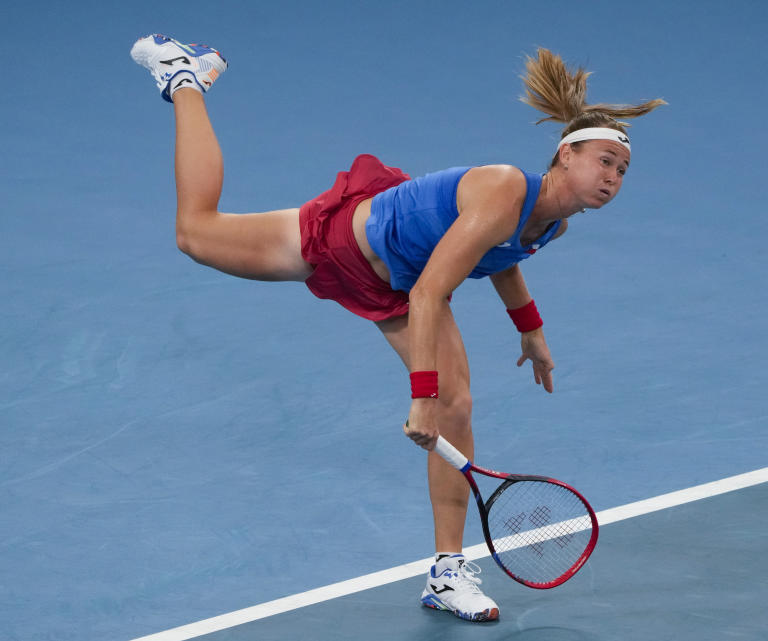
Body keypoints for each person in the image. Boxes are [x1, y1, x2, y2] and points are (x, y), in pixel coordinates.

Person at [130, 34, 664, 622]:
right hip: (339, 242)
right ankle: (184, 79)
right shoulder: (505, 187)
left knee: (458, 405)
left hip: (393, 277)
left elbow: (501, 254)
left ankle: (447, 571)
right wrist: (421, 398)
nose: (613, 177)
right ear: (565, 156)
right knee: (195, 234)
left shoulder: (550, 225)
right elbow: (431, 291)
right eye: (604, 161)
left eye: (623, 170)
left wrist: (529, 328)